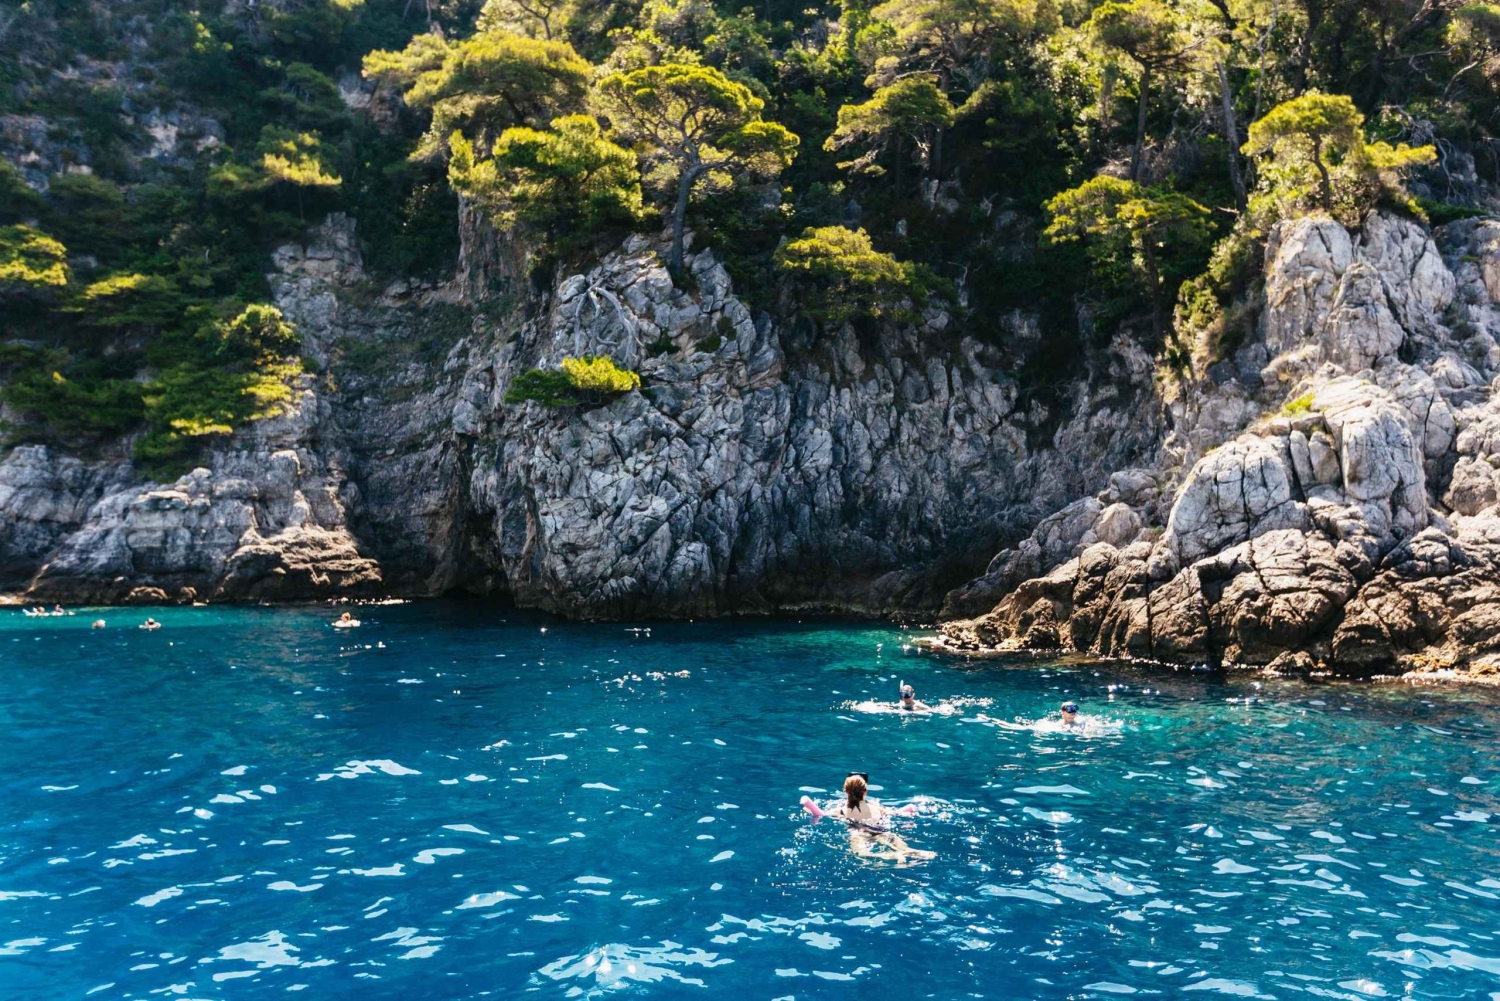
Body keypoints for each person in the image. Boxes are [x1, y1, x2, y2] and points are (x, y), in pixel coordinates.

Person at [836, 773, 934, 863]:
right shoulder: (876, 806)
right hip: (881, 831)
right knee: (905, 848)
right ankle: (917, 853)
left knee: (861, 853)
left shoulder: (842, 810)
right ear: (865, 792)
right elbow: (895, 812)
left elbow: (822, 814)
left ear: (845, 791)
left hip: (860, 833)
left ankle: (892, 855)